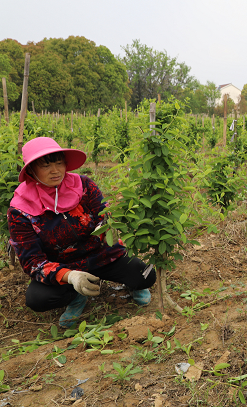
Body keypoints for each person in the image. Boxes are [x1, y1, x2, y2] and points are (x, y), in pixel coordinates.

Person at [8, 137, 157, 328]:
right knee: (38, 299)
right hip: (63, 265)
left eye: (59, 163)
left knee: (146, 275)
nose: (55, 170)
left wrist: (108, 227)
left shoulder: (83, 186)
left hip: (101, 255)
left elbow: (103, 214)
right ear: (31, 170)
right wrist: (70, 276)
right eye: (46, 166)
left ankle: (133, 285)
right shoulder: (20, 210)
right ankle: (76, 296)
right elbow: (32, 262)